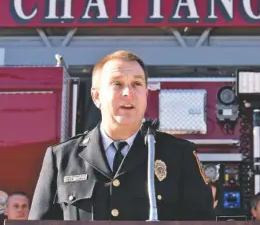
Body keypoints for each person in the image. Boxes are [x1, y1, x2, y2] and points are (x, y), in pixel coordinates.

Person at [28, 50, 215, 221]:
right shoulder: (61, 158)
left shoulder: (179, 155)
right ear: (96, 96)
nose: (128, 93)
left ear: (146, 94)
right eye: (117, 84)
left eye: (137, 84)